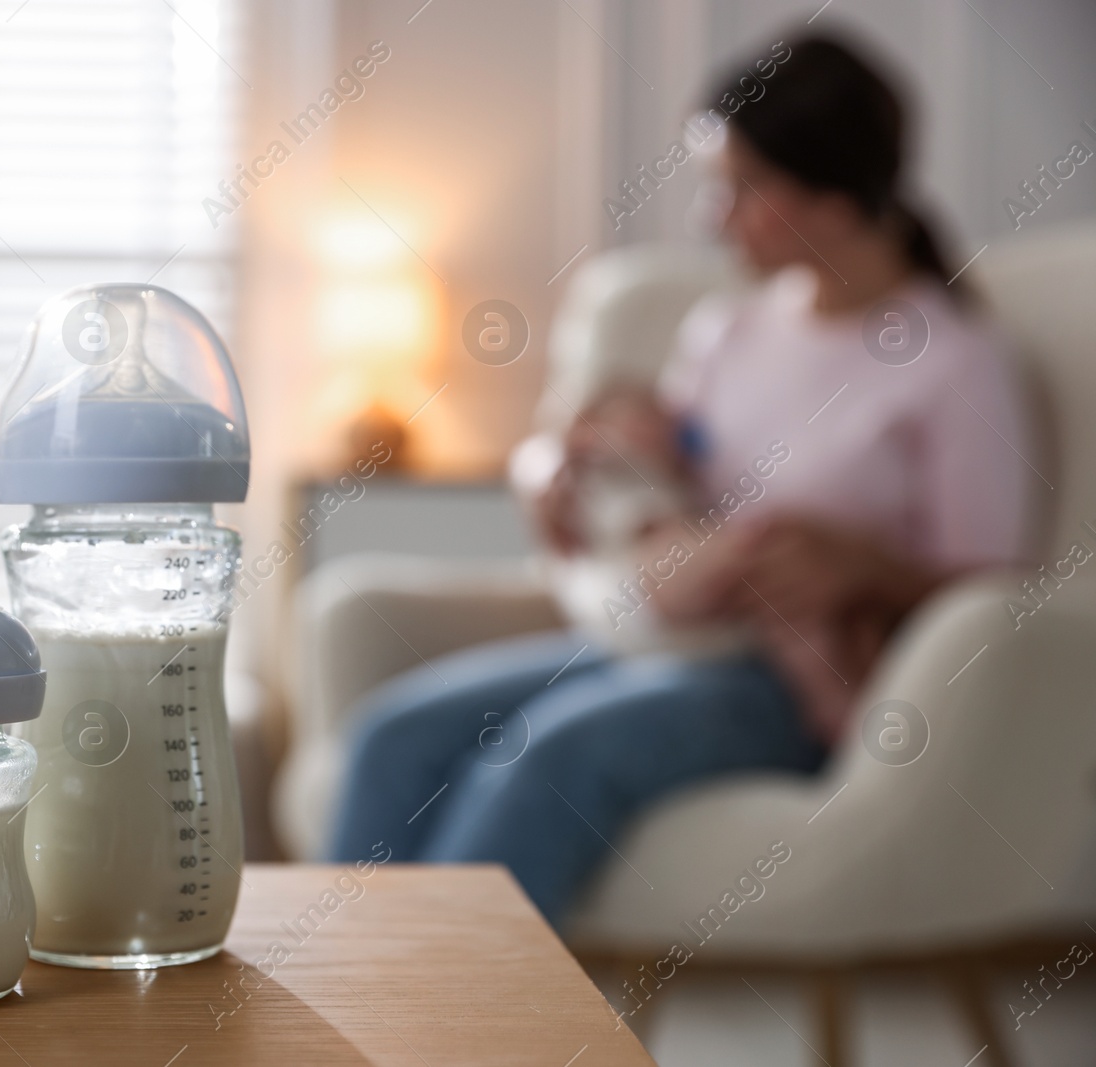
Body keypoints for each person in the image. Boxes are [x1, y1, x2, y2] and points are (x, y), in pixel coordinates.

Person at [326, 35, 1034, 924]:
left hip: (797, 684)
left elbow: (995, 595)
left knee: (548, 755)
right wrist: (563, 468)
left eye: (740, 189)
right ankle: (346, 1025)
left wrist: (863, 565)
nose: (712, 219)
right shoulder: (729, 330)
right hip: (662, 643)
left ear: (833, 194)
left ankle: (448, 1042)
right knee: (393, 736)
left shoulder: (954, 363)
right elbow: (657, 467)